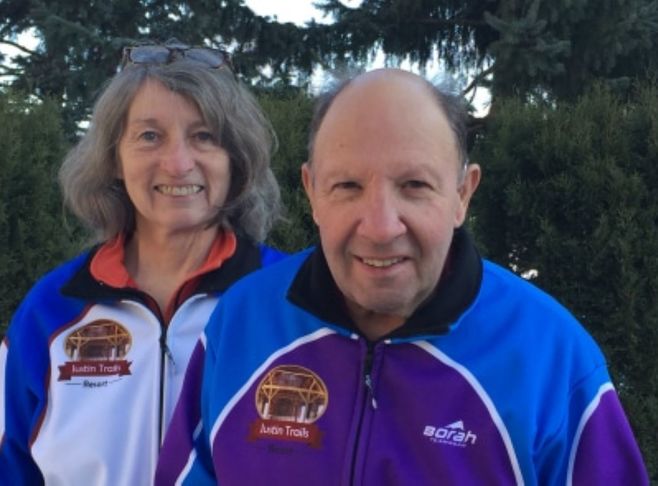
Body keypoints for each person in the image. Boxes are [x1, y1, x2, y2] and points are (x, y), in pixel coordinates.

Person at [155, 69, 649, 485]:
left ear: (462, 194)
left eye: (414, 185)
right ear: (312, 191)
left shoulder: (552, 356)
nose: (380, 227)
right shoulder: (243, 322)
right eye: (347, 185)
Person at [0, 39, 286, 485]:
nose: (178, 163)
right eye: (150, 136)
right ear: (114, 157)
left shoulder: (289, 301)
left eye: (204, 136)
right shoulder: (50, 311)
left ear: (236, 159)